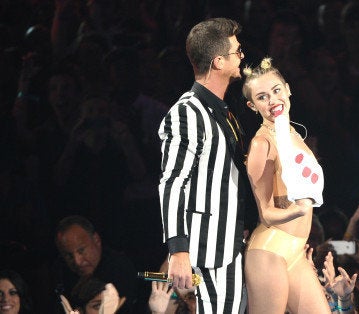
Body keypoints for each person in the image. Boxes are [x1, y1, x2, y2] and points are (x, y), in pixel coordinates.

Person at [157, 18, 250, 314]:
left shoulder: (223, 110)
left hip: (231, 245)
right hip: (208, 251)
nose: (243, 56)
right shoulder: (187, 112)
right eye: (237, 51)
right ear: (218, 61)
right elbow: (173, 182)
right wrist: (178, 250)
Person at [242, 58, 329, 313]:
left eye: (276, 90)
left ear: (288, 89)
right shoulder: (262, 143)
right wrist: (299, 210)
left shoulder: (293, 134)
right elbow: (266, 213)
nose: (272, 100)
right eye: (262, 97)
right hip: (270, 251)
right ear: (252, 105)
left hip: (295, 251)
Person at [53, 215, 137, 313]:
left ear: (96, 240)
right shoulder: (61, 277)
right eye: (69, 256)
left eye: (81, 251)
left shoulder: (121, 271)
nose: (77, 262)